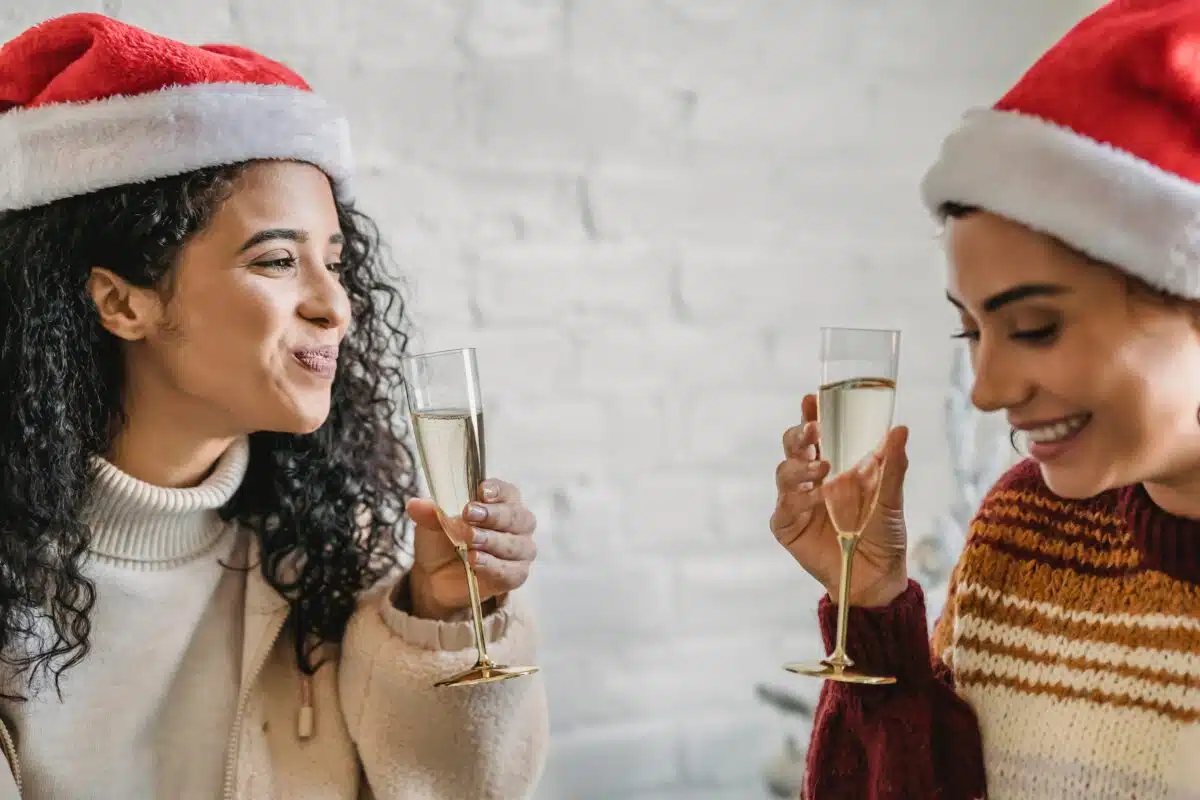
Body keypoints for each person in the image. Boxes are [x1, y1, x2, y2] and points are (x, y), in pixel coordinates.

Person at [0, 12, 547, 800]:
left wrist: (444, 618)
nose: (336, 307)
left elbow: (462, 788)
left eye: (336, 261)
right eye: (279, 260)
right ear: (121, 303)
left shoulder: (326, 541)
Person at [772, 1, 1200, 798]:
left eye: (1035, 327)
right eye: (970, 332)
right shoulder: (1025, 532)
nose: (987, 390)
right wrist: (871, 610)